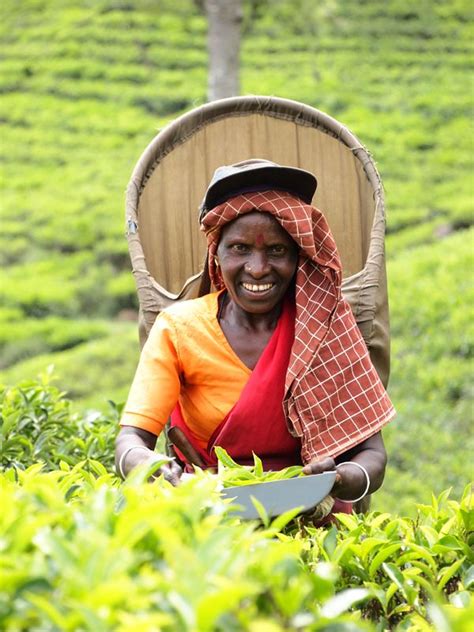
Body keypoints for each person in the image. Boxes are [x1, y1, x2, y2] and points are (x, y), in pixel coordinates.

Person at [115, 159, 396, 517]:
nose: (258, 268)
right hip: (207, 512)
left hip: (308, 514)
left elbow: (373, 455)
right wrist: (152, 466)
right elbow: (130, 439)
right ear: (216, 254)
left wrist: (339, 478)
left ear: (298, 257)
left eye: (276, 250)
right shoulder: (178, 328)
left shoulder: (327, 328)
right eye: (240, 248)